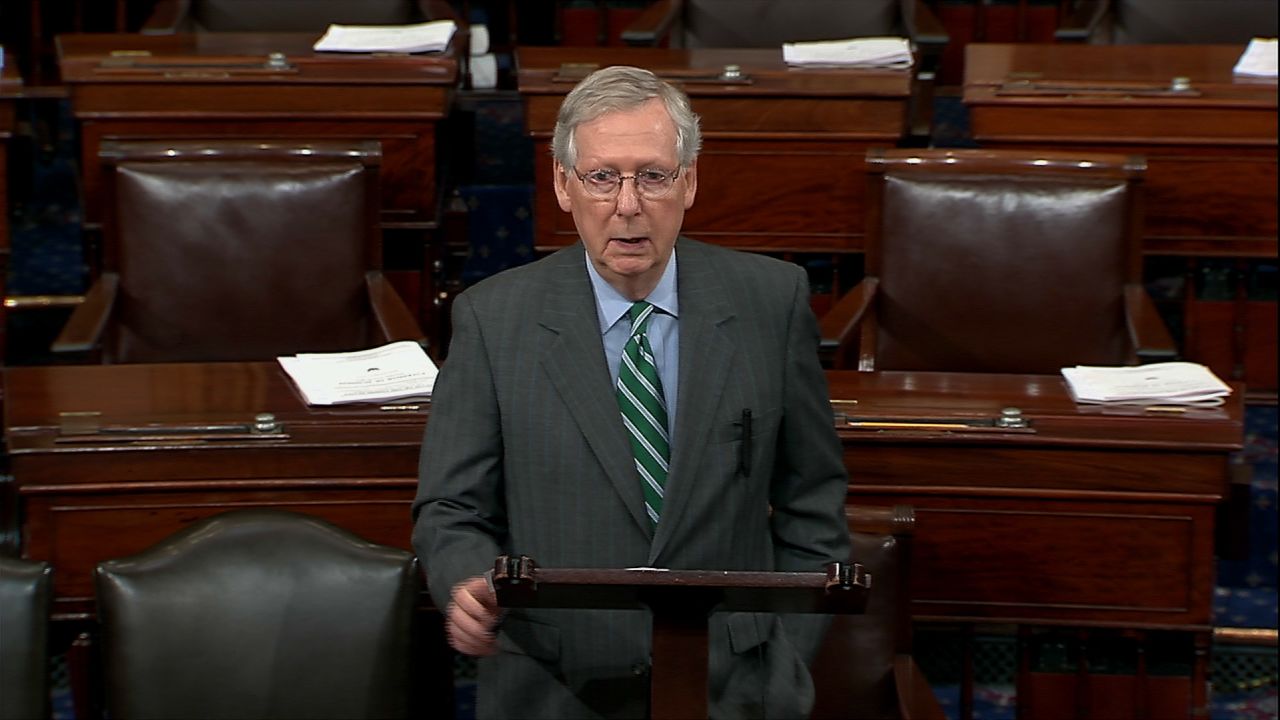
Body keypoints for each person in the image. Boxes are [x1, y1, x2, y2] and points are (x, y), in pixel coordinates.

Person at [412, 65, 851, 719]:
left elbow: (812, 500)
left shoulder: (771, 302)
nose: (627, 205)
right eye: (601, 177)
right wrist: (468, 582)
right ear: (563, 185)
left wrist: (783, 651)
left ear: (689, 181)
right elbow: (450, 509)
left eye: (652, 175)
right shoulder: (493, 319)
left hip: (734, 686)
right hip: (555, 686)